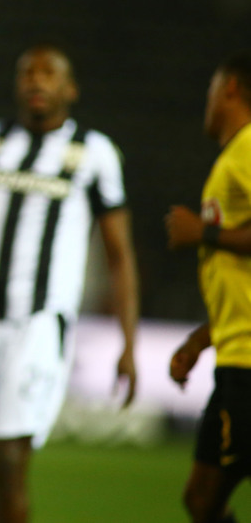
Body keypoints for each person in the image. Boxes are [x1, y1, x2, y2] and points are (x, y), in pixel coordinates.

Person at [0, 44, 140, 522]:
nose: (36, 80)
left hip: (38, 323)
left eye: (48, 73)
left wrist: (128, 344)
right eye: (27, 73)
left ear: (70, 89)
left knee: (10, 463)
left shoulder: (94, 153)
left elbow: (120, 256)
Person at [166, 50, 251, 523]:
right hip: (235, 356)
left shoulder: (249, 147)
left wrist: (203, 232)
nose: (208, 101)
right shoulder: (231, 158)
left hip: (249, 367)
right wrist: (201, 340)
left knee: (204, 498)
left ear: (231, 88)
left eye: (211, 91)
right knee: (201, 499)